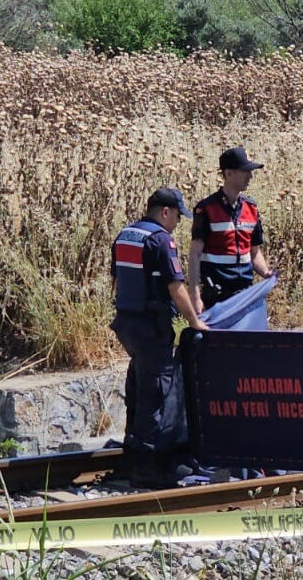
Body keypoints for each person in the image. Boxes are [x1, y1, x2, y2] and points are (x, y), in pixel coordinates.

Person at [111, 188, 208, 488]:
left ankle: (130, 453)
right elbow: (175, 287)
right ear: (165, 212)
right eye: (178, 216)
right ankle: (146, 466)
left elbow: (115, 280)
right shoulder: (160, 240)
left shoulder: (126, 234)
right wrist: (194, 321)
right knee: (155, 392)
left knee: (139, 383)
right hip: (151, 326)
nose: (178, 223)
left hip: (127, 322)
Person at [188, 146, 273, 311]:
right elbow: (195, 253)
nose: (250, 176)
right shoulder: (206, 209)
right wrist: (195, 295)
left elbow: (254, 252)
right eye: (245, 171)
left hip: (245, 292)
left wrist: (266, 273)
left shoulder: (251, 208)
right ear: (228, 174)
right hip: (217, 295)